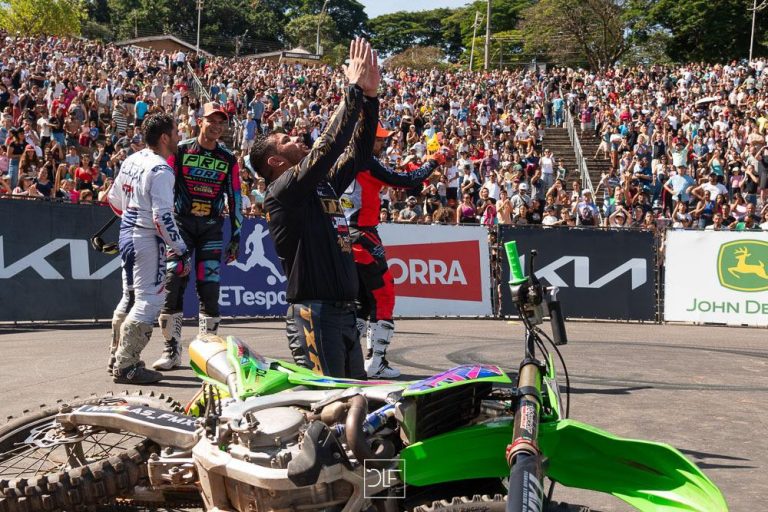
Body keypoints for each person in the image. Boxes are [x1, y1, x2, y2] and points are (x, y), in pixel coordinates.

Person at [249, 38, 380, 379]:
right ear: (275, 161)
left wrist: (370, 99)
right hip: (314, 315)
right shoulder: (282, 191)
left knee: (358, 400)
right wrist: (352, 90)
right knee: (330, 403)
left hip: (345, 314)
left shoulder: (322, 184)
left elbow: (358, 154)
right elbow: (329, 147)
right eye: (286, 141)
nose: (297, 138)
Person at [341, 122, 444, 378]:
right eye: (378, 139)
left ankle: (351, 361)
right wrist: (433, 162)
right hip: (363, 235)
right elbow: (407, 182)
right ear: (365, 137)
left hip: (346, 235)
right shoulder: (366, 160)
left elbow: (395, 178)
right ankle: (376, 363)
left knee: (363, 301)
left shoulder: (344, 158)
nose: (382, 143)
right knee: (384, 295)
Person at [154, 101, 243, 371]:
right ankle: (171, 350)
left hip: (211, 229)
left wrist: (236, 235)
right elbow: (163, 185)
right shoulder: (180, 151)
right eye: (211, 120)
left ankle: (207, 354)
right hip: (180, 227)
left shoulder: (228, 159)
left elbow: (235, 197)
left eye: (221, 122)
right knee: (174, 282)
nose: (216, 126)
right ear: (199, 121)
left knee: (209, 288)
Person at [106, 112, 190, 384]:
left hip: (126, 235)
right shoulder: (161, 170)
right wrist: (180, 248)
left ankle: (116, 358)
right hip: (145, 239)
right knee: (149, 300)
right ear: (165, 137)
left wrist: (132, 219)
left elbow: (113, 200)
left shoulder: (132, 159)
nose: (179, 136)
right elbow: (162, 217)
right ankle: (127, 366)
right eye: (176, 132)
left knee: (129, 297)